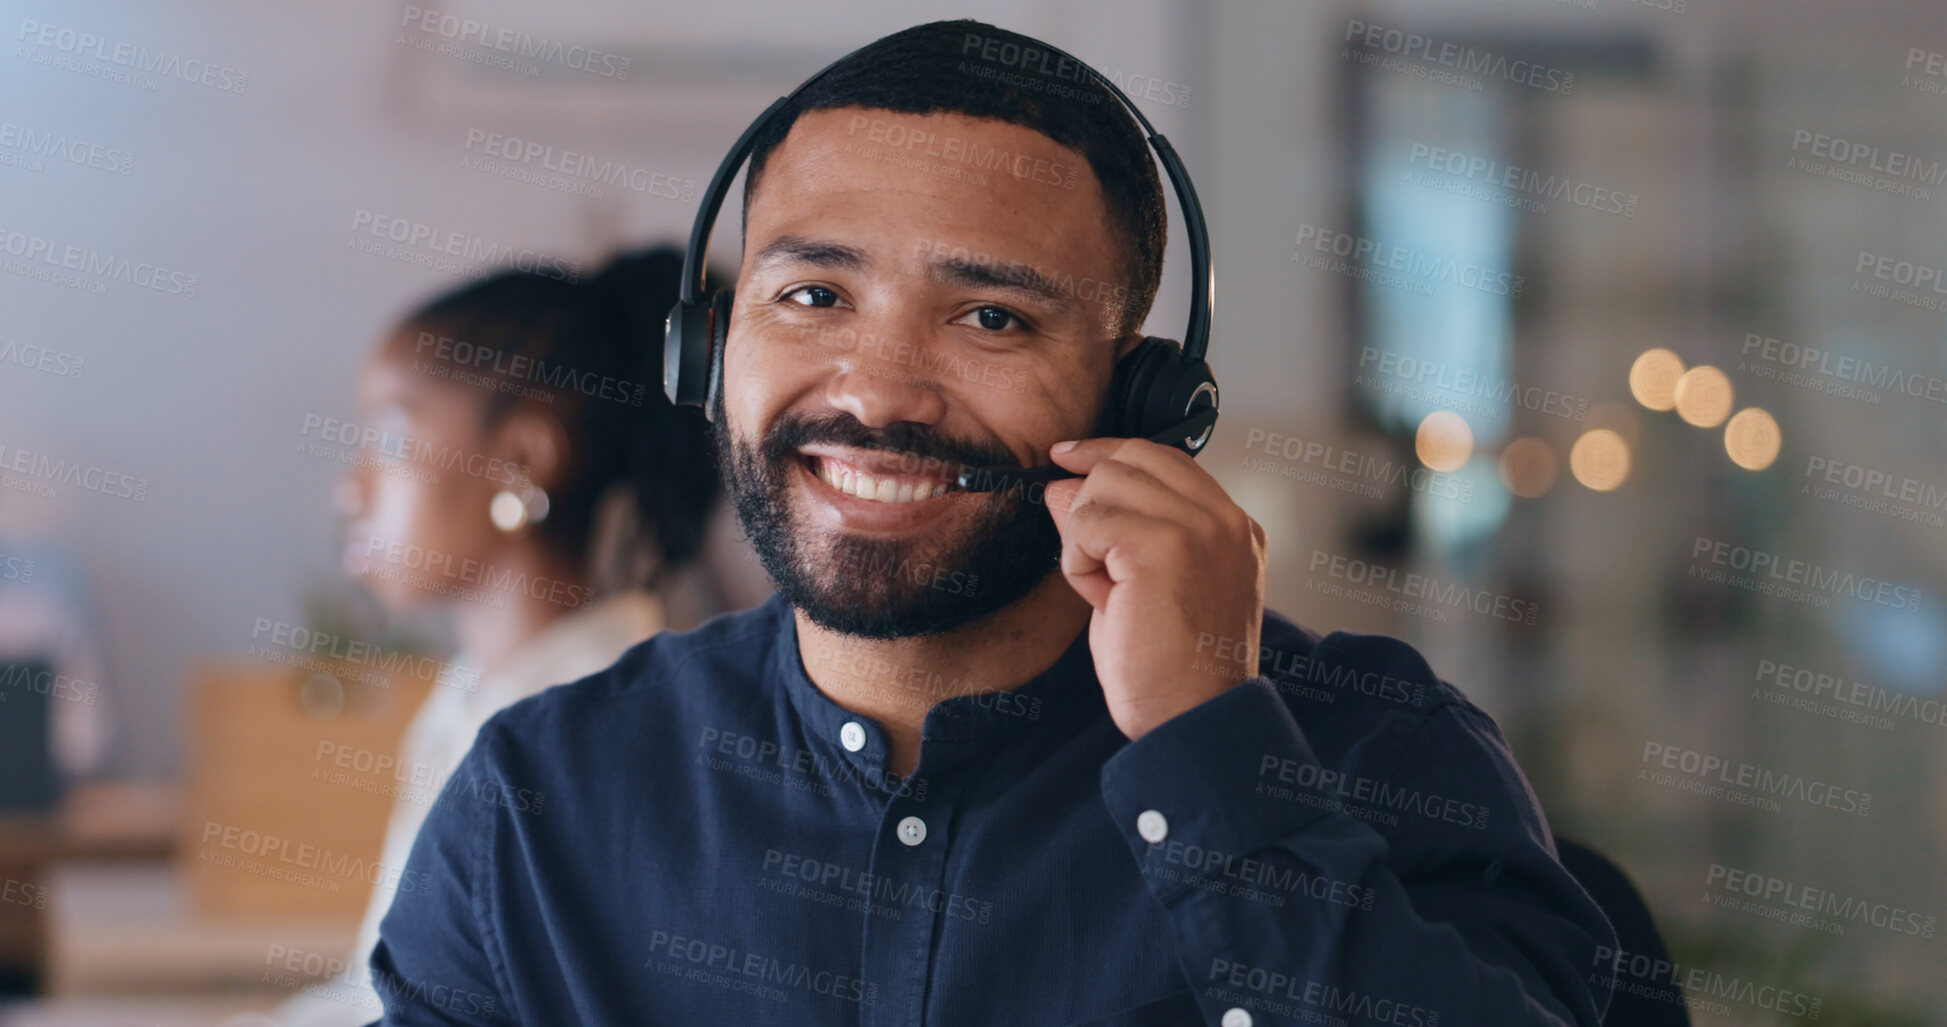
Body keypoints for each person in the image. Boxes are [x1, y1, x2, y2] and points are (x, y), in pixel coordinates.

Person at [370, 21, 1616, 1026]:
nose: (879, 393)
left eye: (991, 320)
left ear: (1143, 399)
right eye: (812, 293)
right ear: (711, 350)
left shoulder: (1377, 755)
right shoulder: (541, 797)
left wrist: (1213, 753)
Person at [267, 246, 723, 1026]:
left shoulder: (592, 724)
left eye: (395, 439)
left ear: (521, 457)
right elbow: (380, 993)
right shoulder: (472, 695)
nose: (352, 487)